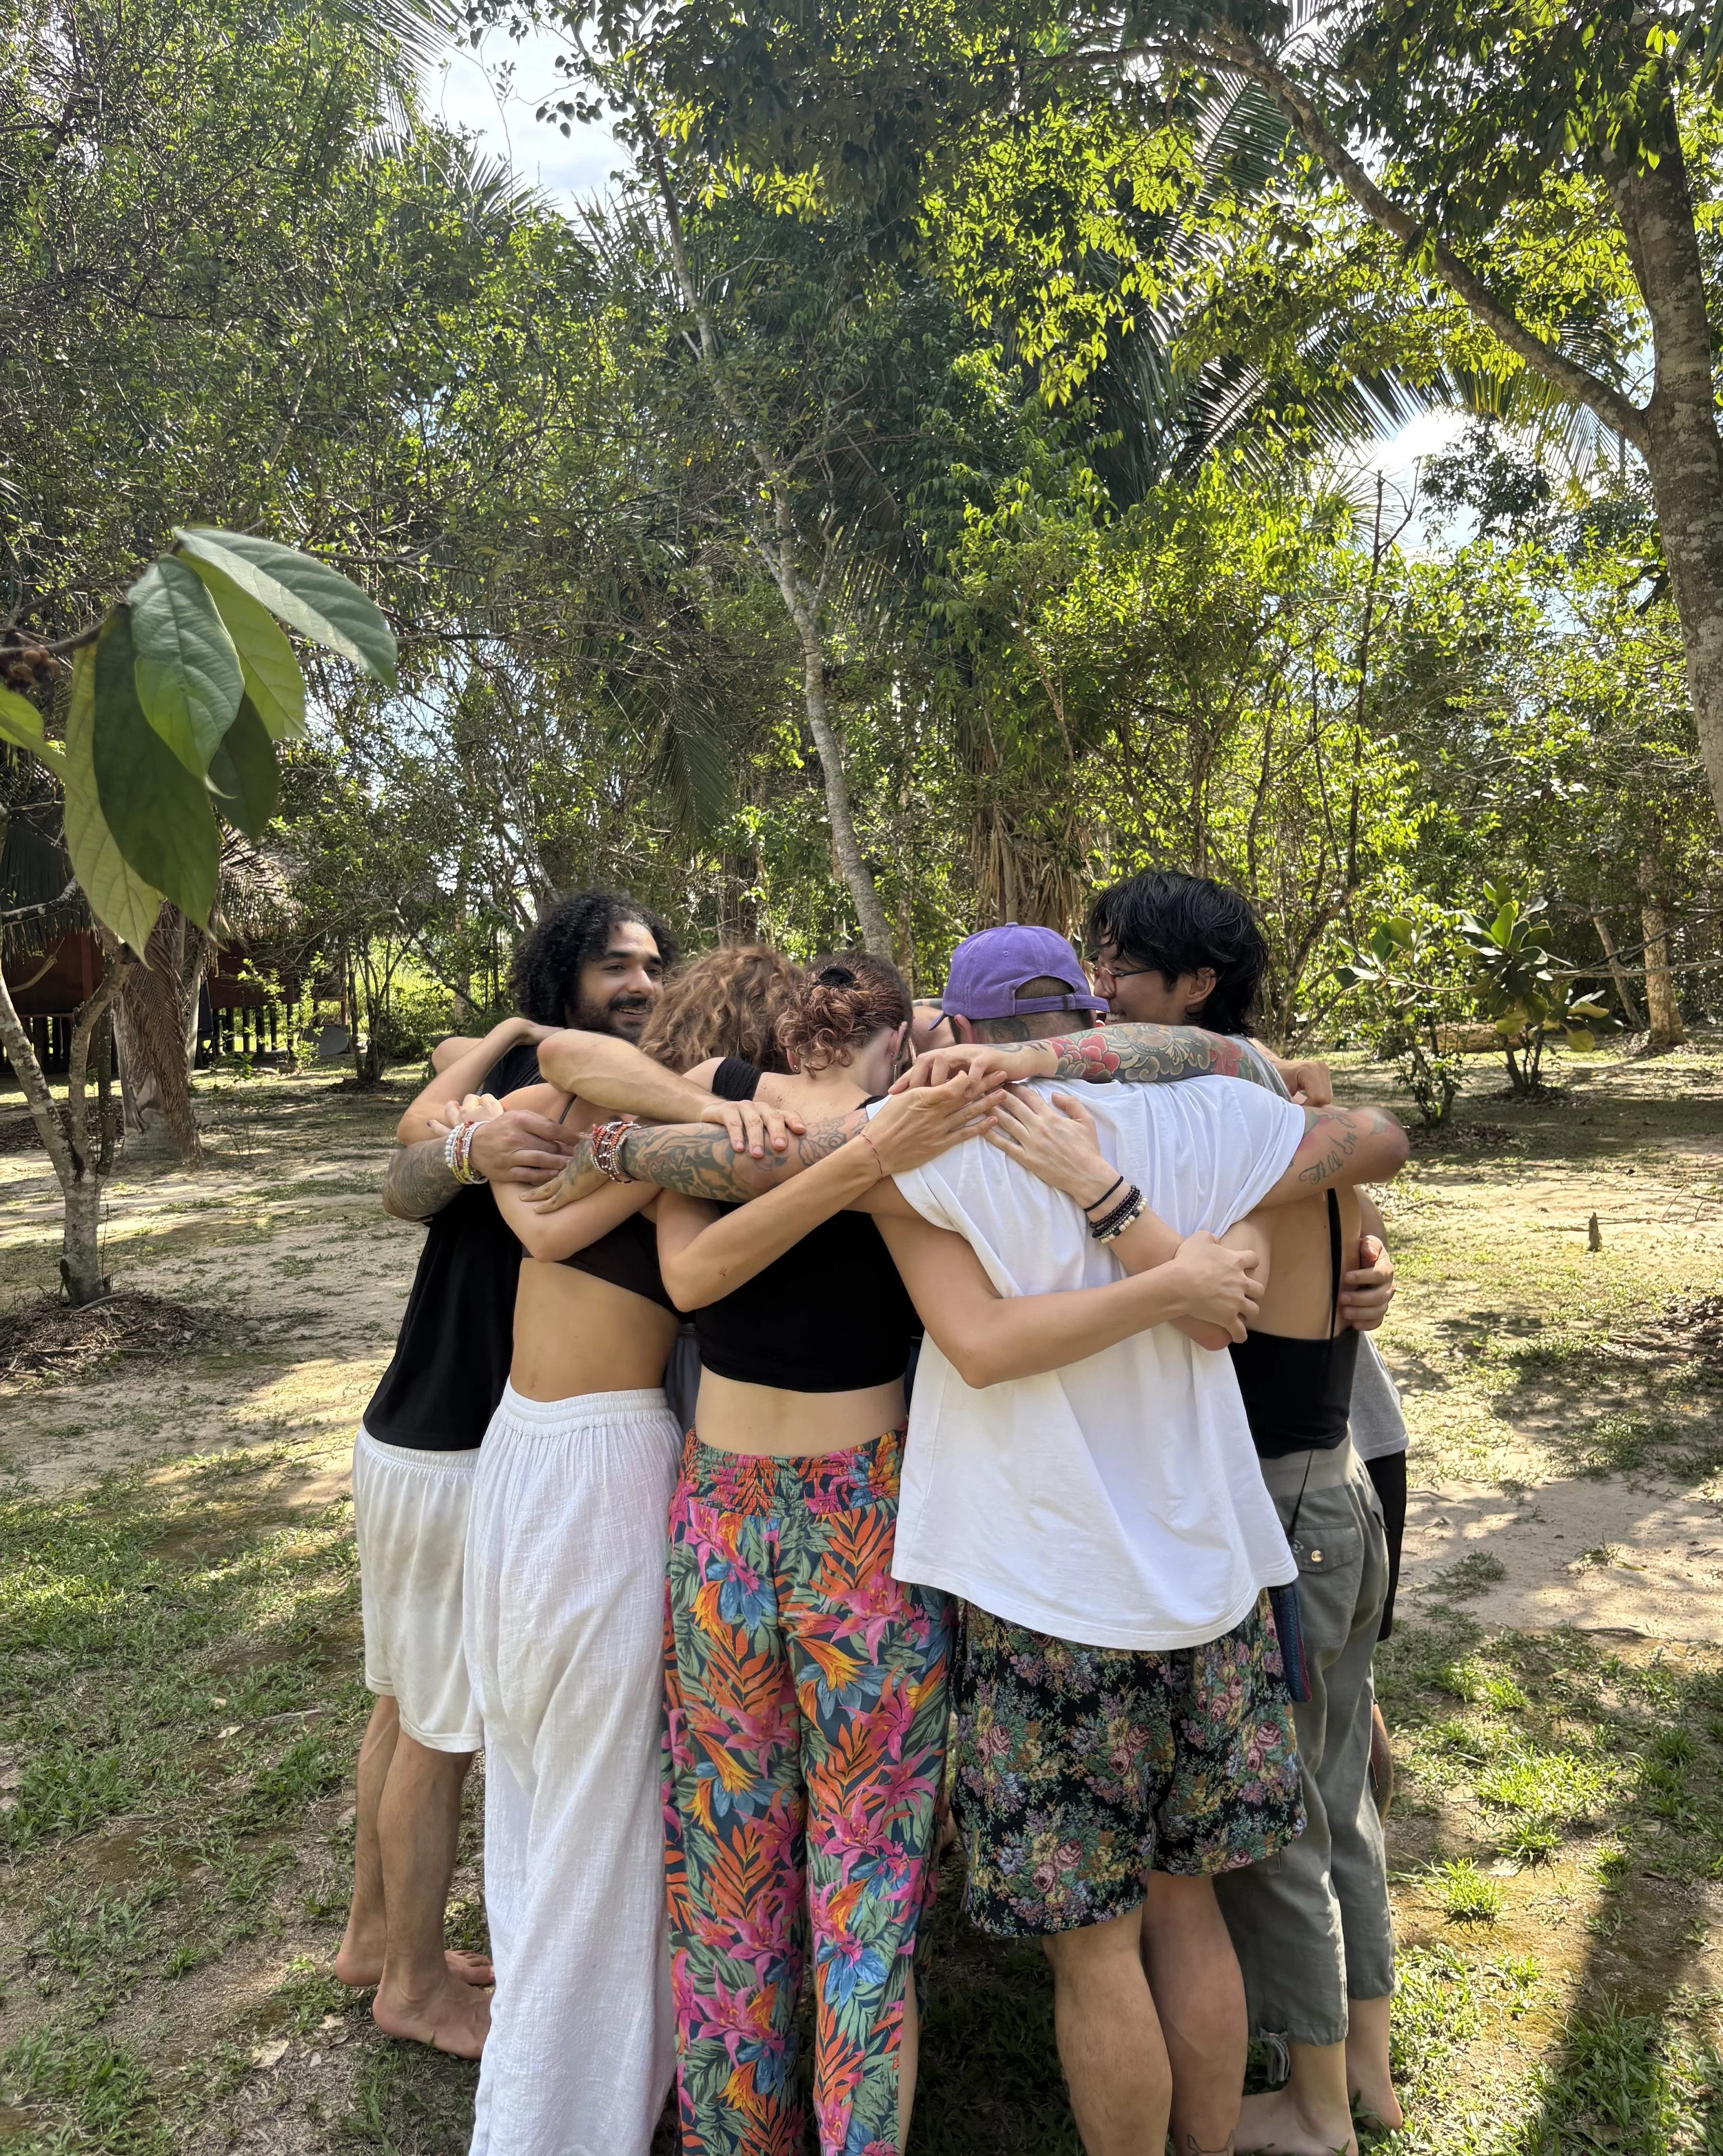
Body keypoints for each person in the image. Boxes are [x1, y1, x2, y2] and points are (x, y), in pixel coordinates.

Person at [533, 930, 1408, 2156]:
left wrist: (650, 1137)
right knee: (947, 1888)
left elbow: (690, 1232)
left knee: (753, 1863)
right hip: (1159, 1567)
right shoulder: (1200, 1120)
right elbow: (1370, 1145)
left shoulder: (913, 1148)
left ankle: (742, 2132)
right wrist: (1204, 1202)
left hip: (944, 1558)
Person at [422, 945, 810, 2156]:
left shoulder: (588, 1111)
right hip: (598, 1461)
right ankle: (556, 2118)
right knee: (600, 1794)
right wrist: (698, 1118)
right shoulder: (678, 1119)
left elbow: (530, 1150)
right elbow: (547, 1202)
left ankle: (562, 2072)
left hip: (520, 1447)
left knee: (538, 1775)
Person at [1084, 869, 1405, 2150]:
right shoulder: (1284, 1113)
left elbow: (1204, 1291)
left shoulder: (1232, 1127)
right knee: (1338, 1793)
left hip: (1286, 1504)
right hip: (1335, 1491)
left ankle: (1318, 2110)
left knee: (1285, 1829)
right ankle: (1366, 2065)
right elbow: (1356, 1235)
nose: (1100, 990)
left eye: (1120, 967)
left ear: (1195, 987)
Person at [333, 890, 671, 2058]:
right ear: (561, 975)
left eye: (652, 965)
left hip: (419, 1428)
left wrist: (486, 1051)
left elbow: (435, 1096)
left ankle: (373, 1939)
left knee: (406, 1709)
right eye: (615, 965)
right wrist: (495, 1070)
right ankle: (414, 1988)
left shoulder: (541, 1080)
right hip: (458, 1445)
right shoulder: (542, 1092)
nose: (641, 982)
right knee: (440, 1730)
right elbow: (408, 1162)